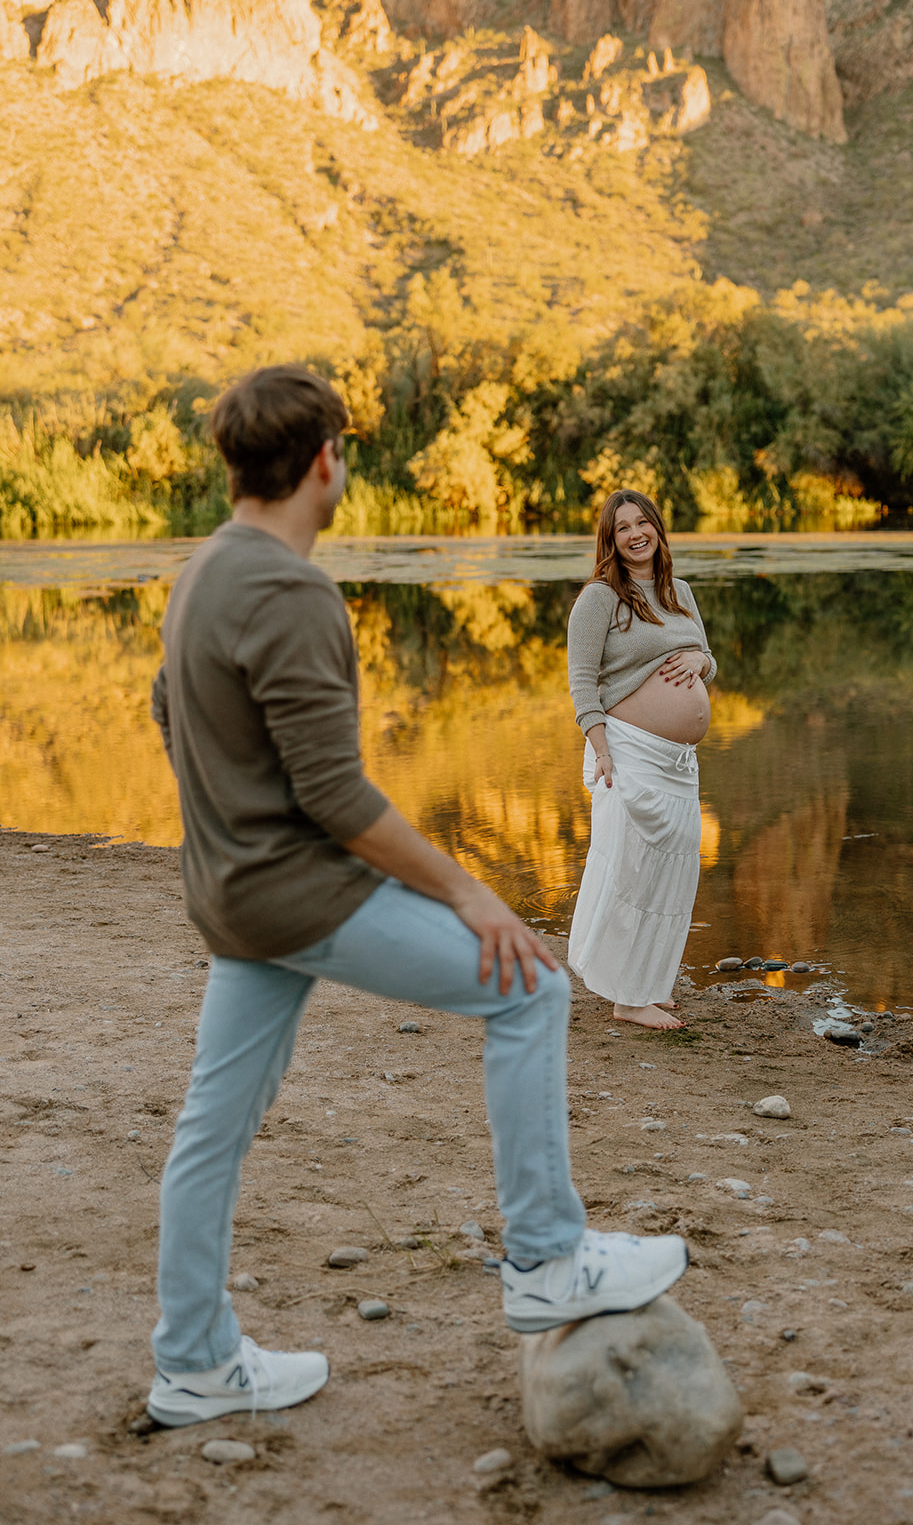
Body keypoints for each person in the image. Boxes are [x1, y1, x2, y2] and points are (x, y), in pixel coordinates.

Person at [144, 367, 688, 1429]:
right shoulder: (288, 590)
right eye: (341, 450)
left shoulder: (201, 569)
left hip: (235, 896)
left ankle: (193, 1361)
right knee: (528, 987)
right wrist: (472, 893)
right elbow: (336, 794)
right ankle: (544, 1258)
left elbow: (170, 711)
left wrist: (227, 832)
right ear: (321, 461)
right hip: (296, 895)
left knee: (213, 1123)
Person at [567, 490, 716, 1032]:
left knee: (671, 873)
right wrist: (601, 749)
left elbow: (707, 658)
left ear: (657, 527)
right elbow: (582, 682)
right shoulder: (600, 597)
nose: (635, 533)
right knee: (631, 868)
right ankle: (626, 999)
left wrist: (701, 659)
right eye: (622, 526)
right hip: (629, 752)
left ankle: (648, 984)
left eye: (643, 522)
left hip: (678, 761)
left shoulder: (680, 592)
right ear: (610, 538)